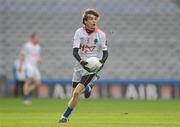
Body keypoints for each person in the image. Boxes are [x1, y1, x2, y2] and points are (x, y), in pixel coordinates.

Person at [59, 8, 108, 123]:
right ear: (85, 21)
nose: (93, 21)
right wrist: (81, 62)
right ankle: (88, 88)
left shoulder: (101, 34)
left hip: (91, 68)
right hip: (79, 65)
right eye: (91, 18)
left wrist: (101, 63)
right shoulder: (79, 33)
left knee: (76, 93)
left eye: (95, 19)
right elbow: (75, 52)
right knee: (73, 95)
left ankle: (64, 117)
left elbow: (106, 53)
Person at [19, 32, 42, 105]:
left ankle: (26, 91)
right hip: (28, 65)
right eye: (36, 38)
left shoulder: (38, 46)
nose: (38, 39)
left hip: (35, 66)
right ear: (32, 38)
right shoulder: (27, 45)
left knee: (38, 83)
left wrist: (39, 59)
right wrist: (21, 65)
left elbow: (37, 56)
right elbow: (22, 54)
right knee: (28, 81)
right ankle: (26, 98)